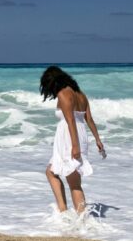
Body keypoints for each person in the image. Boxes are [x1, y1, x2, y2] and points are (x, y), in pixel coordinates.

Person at [40, 66, 105, 214]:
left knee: (64, 177)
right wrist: (97, 139)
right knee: (69, 179)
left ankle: (67, 213)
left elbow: (70, 121)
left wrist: (74, 146)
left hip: (70, 138)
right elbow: (89, 119)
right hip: (80, 136)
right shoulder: (81, 95)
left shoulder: (64, 94)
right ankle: (79, 218)